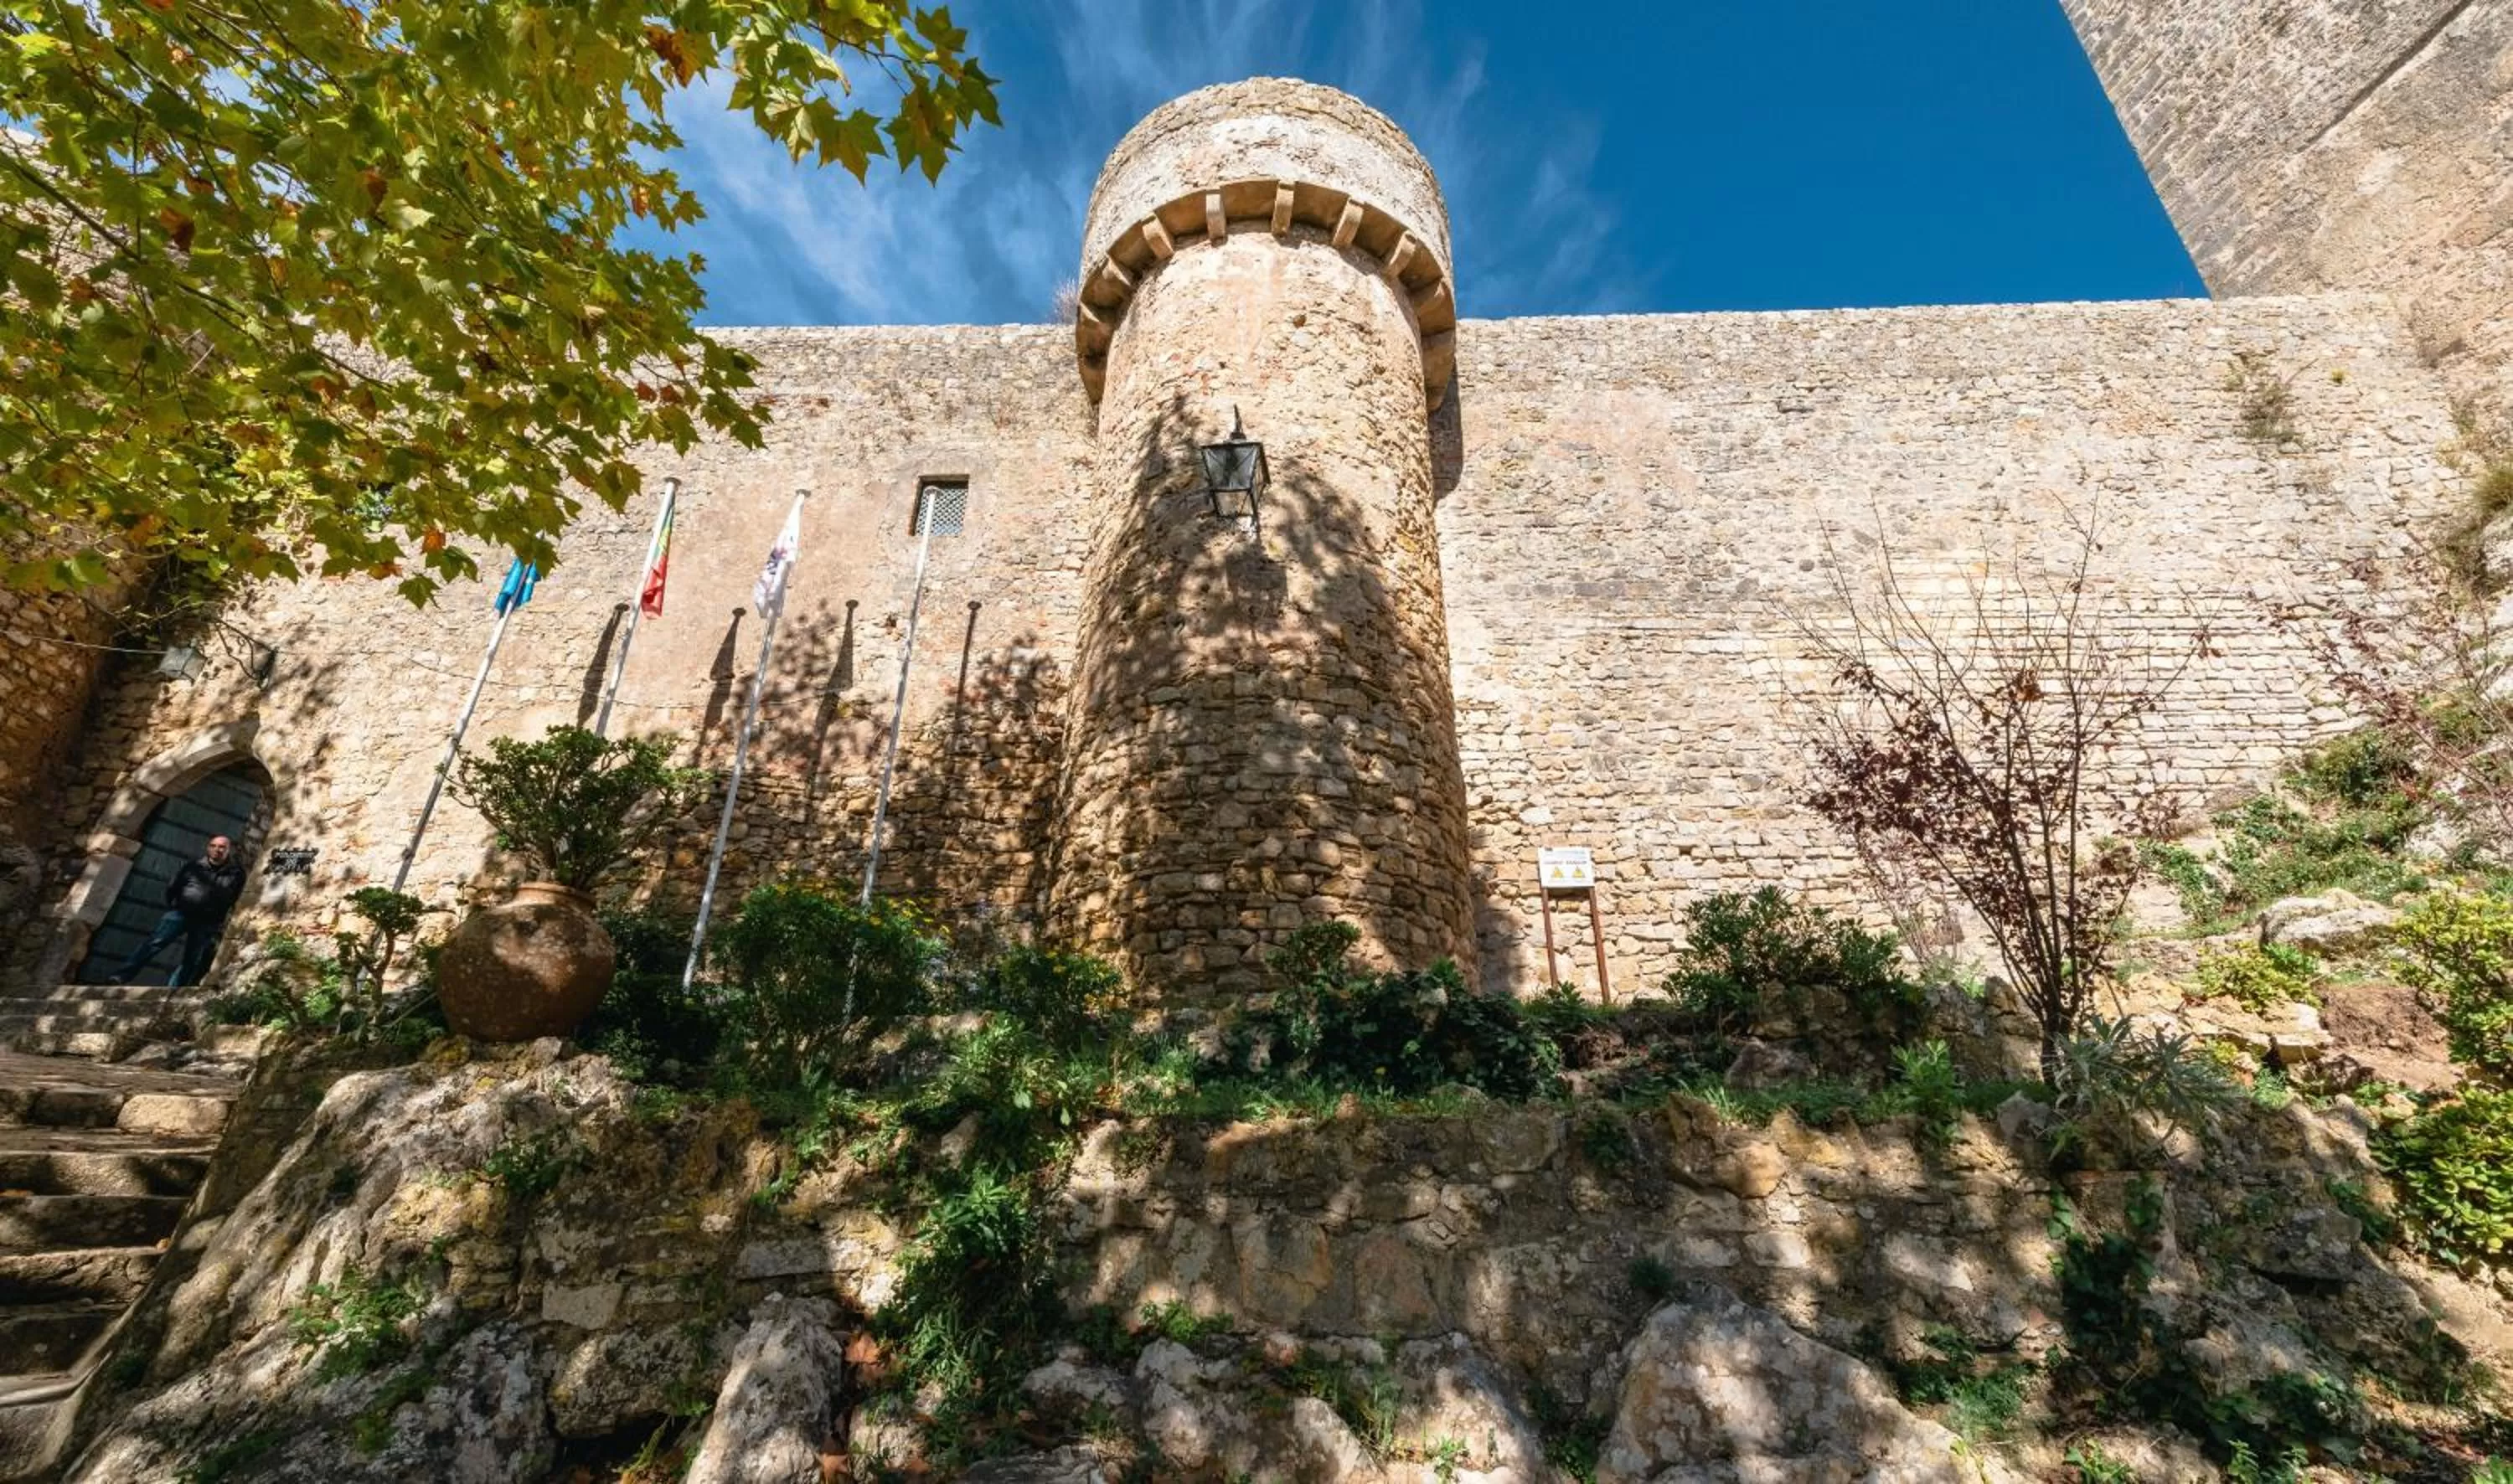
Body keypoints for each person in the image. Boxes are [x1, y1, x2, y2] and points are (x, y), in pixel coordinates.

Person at [113, 835, 246, 987]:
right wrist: (175, 907)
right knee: (152, 945)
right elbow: (173, 887)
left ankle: (173, 991)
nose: (217, 850)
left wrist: (219, 916)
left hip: (207, 923)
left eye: (222, 847)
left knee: (192, 959)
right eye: (213, 846)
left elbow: (236, 897)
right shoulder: (193, 866)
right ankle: (121, 976)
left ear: (228, 850)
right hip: (181, 914)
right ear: (208, 848)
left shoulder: (236, 874)